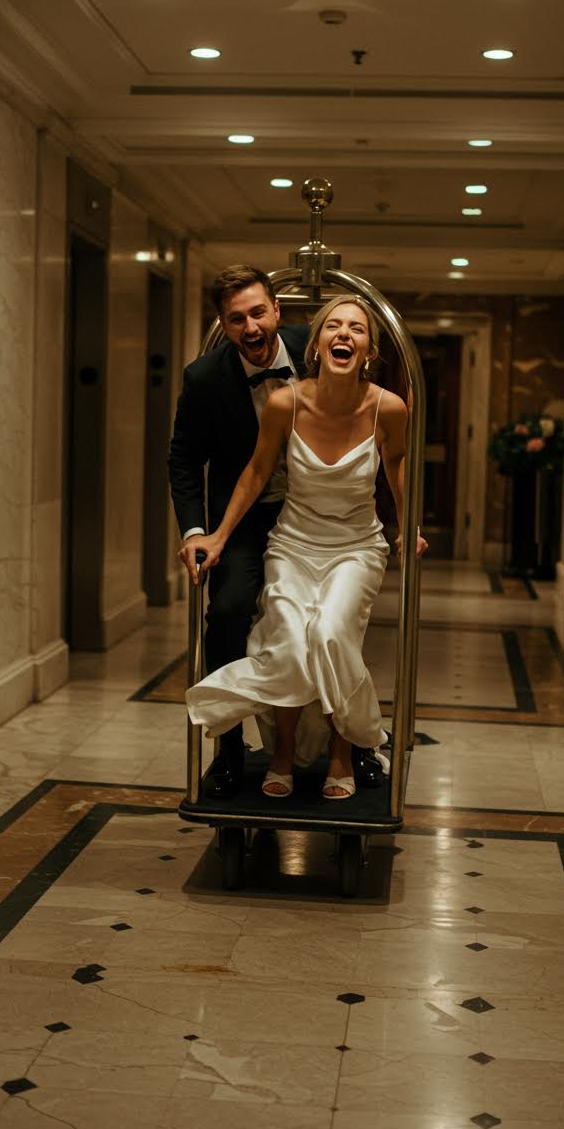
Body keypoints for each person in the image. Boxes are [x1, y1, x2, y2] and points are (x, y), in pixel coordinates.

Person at [181, 294, 427, 801]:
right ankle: (283, 753)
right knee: (291, 640)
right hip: (293, 542)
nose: (344, 335)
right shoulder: (285, 402)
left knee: (335, 635)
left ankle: (345, 751)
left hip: (356, 546)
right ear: (315, 344)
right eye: (333, 326)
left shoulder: (390, 407)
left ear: (369, 348)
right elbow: (255, 472)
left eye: (356, 329)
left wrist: (408, 527)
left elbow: (398, 471)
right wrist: (218, 535)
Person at [168, 265, 308, 798]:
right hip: (243, 520)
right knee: (226, 612)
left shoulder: (318, 350)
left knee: (331, 619)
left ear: (277, 311)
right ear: (223, 325)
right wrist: (196, 531)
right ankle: (228, 746)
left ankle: (354, 744)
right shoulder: (204, 377)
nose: (250, 328)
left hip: (312, 512)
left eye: (257, 313)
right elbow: (184, 459)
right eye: (235, 319)